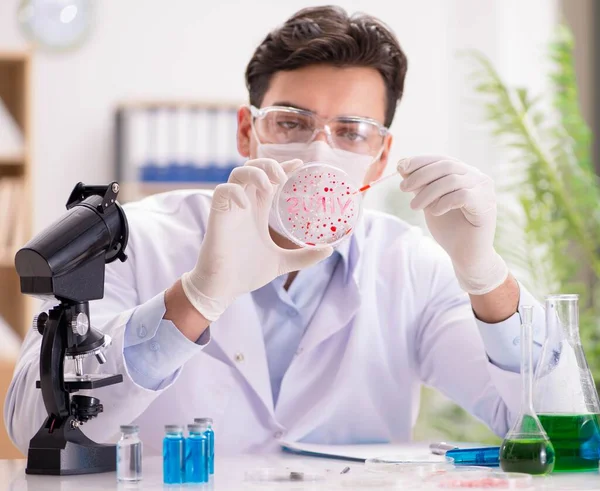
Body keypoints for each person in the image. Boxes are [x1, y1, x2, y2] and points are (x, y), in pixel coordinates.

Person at [6, 5, 542, 455]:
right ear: (248, 131)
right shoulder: (135, 241)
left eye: (352, 133)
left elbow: (551, 429)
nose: (317, 151)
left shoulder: (411, 266)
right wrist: (197, 297)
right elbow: (33, 427)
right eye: (291, 122)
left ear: (380, 161)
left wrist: (485, 275)